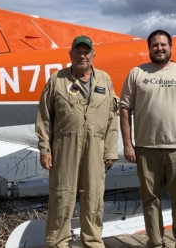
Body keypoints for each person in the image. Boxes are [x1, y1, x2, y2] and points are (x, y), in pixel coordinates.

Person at [120, 29, 176, 248]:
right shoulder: (136, 74)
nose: (159, 48)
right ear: (149, 48)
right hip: (146, 150)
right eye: (155, 45)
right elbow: (124, 110)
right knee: (150, 200)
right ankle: (156, 243)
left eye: (163, 44)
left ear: (170, 47)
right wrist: (128, 144)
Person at [35, 35, 119, 248]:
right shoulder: (57, 80)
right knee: (62, 196)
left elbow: (112, 118)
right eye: (78, 51)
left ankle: (92, 242)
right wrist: (45, 148)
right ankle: (57, 242)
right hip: (65, 148)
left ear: (93, 54)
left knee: (94, 197)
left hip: (96, 148)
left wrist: (110, 150)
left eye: (86, 51)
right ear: (70, 54)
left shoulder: (104, 80)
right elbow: (44, 117)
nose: (82, 55)